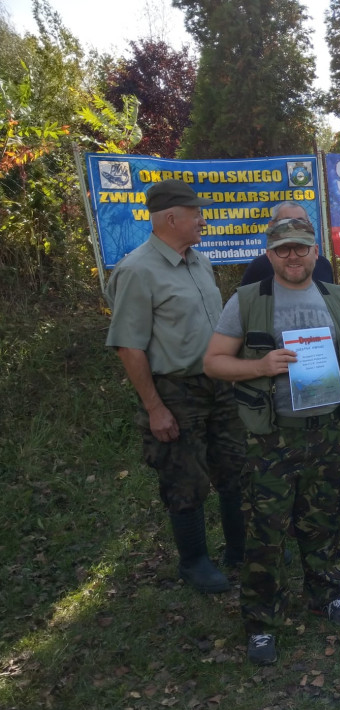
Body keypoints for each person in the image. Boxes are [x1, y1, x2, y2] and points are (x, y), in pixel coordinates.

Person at [204, 218, 340, 666]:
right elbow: (214, 363)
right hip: (272, 437)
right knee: (266, 533)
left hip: (329, 432)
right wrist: (260, 367)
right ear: (270, 255)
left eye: (301, 248)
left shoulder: (336, 298)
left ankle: (326, 594)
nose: (293, 257)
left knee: (325, 519)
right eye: (283, 250)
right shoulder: (246, 301)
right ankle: (262, 623)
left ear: (315, 252)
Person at [105, 180, 246, 594]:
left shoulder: (199, 262)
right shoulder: (136, 270)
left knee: (235, 467)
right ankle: (194, 562)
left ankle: (239, 549)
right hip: (175, 390)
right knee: (185, 477)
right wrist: (154, 407)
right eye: (196, 213)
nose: (203, 219)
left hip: (219, 383)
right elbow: (128, 346)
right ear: (171, 218)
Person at [239, 202, 334, 286]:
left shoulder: (323, 265)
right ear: (271, 226)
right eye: (285, 221)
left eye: (300, 221)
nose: (293, 227)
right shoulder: (258, 267)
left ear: (309, 226)